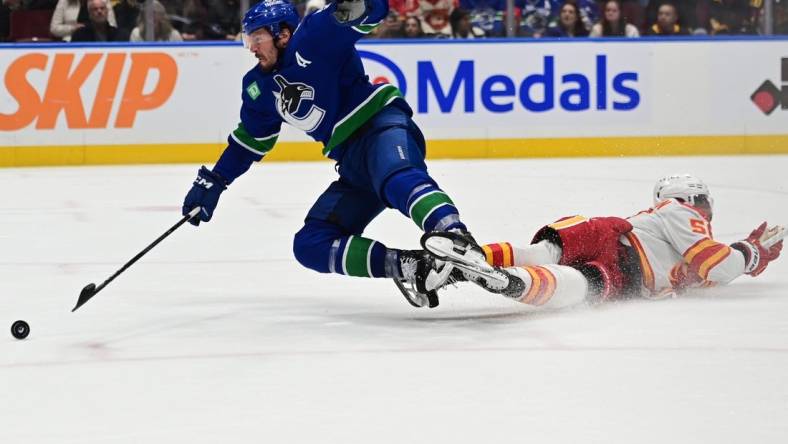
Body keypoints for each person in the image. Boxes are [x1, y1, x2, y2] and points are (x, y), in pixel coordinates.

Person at [181, 0, 476, 308]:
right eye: (248, 40)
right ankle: (411, 267)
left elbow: (372, 9)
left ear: (282, 34)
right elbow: (248, 143)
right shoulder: (257, 87)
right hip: (352, 161)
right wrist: (215, 180)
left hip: (379, 126)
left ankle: (455, 237)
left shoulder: (313, 36)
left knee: (396, 178)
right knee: (311, 244)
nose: (252, 48)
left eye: (257, 38)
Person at [421, 174, 784, 309]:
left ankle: (502, 277)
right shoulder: (678, 211)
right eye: (702, 203)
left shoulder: (687, 237)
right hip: (615, 242)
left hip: (627, 272)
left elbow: (714, 268)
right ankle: (493, 271)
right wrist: (749, 254)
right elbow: (718, 266)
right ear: (687, 199)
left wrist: (745, 258)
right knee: (566, 274)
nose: (706, 212)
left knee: (578, 282)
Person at [51, 0, 118, 41]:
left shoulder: (102, 1)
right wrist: (72, 28)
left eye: (102, 8)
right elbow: (54, 28)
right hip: (70, 40)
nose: (99, 11)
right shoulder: (64, 1)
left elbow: (112, 25)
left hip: (100, 38)